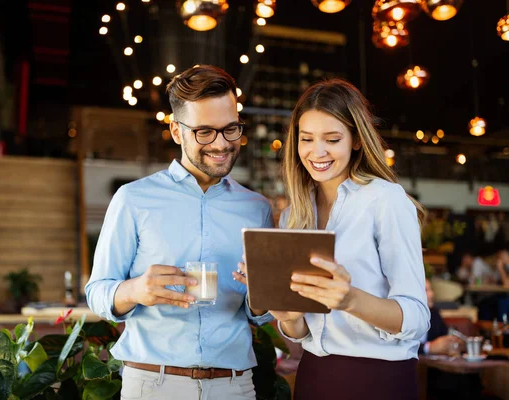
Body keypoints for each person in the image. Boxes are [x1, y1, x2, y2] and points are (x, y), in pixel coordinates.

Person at [85, 65, 274, 400]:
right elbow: (98, 292)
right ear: (176, 131)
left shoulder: (256, 208)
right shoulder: (133, 199)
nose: (221, 144)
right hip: (152, 386)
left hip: (235, 387)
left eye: (230, 129)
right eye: (204, 132)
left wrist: (261, 297)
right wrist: (135, 290)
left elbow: (259, 314)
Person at [239, 79, 430, 400]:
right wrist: (288, 315)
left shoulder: (385, 200)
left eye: (332, 139)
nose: (318, 151)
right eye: (307, 139)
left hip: (378, 379)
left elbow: (417, 318)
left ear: (356, 140)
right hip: (315, 374)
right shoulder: (293, 216)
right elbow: (300, 333)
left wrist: (350, 299)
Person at [421, 279, 485, 400]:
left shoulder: (434, 313)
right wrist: (429, 347)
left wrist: (455, 343)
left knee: (471, 379)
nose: (431, 294)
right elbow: (399, 345)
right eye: (426, 290)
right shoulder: (402, 317)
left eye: (431, 290)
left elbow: (446, 337)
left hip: (439, 367)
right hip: (421, 371)